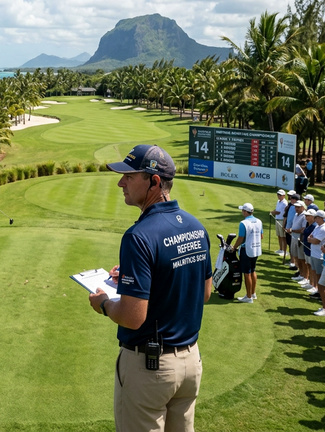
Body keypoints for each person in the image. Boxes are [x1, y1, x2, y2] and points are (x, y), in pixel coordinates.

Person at [88, 144, 212, 432]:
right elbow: (204, 293)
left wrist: (104, 303)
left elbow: (132, 317)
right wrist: (138, 280)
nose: (121, 183)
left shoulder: (138, 236)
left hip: (150, 369)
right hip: (190, 364)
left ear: (154, 182)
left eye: (129, 177)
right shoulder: (195, 226)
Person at [232, 203, 263, 303]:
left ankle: (248, 297)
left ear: (245, 212)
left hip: (246, 250)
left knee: (247, 273)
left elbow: (241, 238)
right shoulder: (259, 221)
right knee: (253, 270)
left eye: (243, 210)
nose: (242, 212)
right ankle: (253, 293)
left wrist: (234, 247)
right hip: (256, 249)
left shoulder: (243, 223)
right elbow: (261, 236)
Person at [309, 210, 325, 316]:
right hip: (324, 260)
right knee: (324, 283)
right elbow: (310, 237)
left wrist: (323, 248)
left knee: (322, 285)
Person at [271, 189, 288, 256]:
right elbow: (277, 210)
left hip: (281, 220)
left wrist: (272, 212)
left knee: (283, 236)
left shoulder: (284, 203)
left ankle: (284, 250)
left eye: (280, 195)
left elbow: (279, 212)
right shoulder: (278, 201)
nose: (279, 196)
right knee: (279, 235)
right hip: (277, 219)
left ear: (284, 195)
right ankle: (280, 249)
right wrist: (273, 211)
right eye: (278, 194)